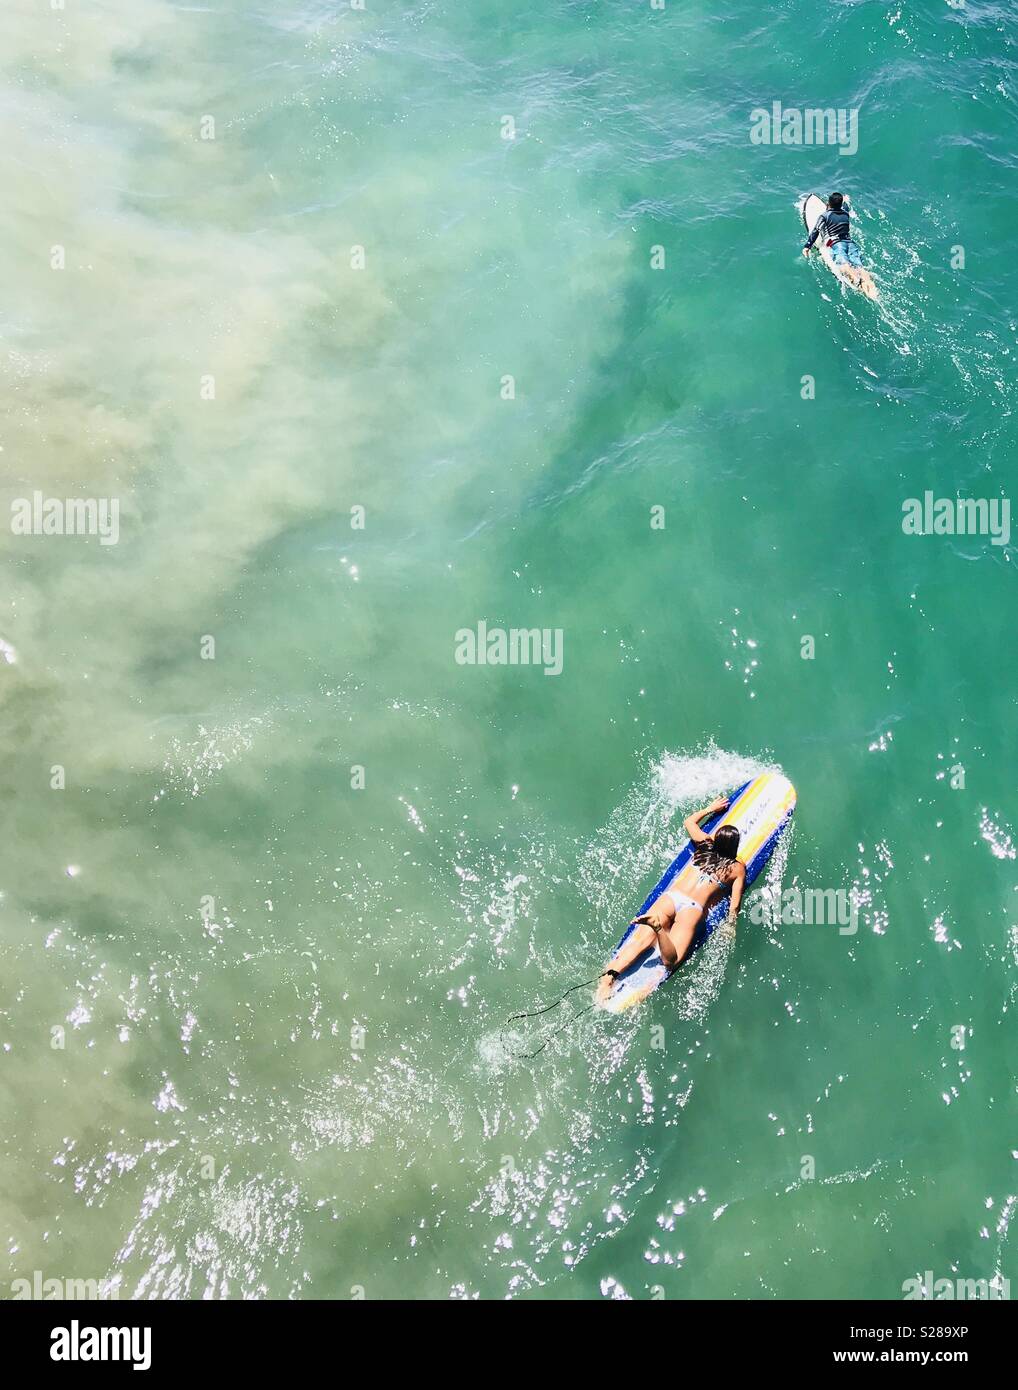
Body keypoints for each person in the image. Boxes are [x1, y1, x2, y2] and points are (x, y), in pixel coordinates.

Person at [597, 797, 746, 1001]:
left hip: (671, 897)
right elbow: (734, 904)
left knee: (640, 941)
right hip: (692, 909)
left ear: (716, 840)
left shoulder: (705, 844)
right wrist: (731, 926)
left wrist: (710, 809)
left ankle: (608, 980)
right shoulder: (737, 868)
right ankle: (659, 928)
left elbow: (689, 822)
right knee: (671, 960)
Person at [803, 191, 879, 300]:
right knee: (860, 267)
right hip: (850, 243)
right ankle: (871, 287)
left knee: (844, 266)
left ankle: (856, 281)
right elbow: (845, 207)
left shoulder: (824, 216)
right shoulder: (845, 213)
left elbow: (815, 231)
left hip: (836, 244)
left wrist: (807, 246)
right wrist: (846, 201)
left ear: (828, 204)